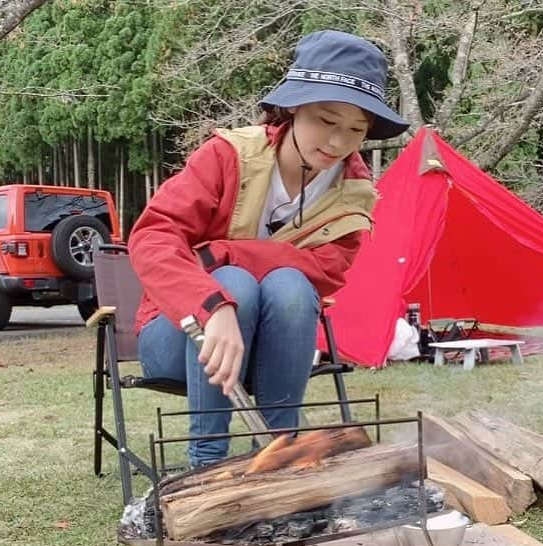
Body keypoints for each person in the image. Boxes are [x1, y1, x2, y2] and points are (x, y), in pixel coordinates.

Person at [127, 30, 409, 467]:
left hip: (273, 344)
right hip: (180, 332)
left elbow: (324, 274)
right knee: (234, 282)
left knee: (292, 287)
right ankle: (207, 461)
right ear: (294, 108)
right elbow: (152, 236)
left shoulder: (354, 196)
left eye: (356, 129)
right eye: (326, 120)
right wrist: (213, 304)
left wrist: (222, 251)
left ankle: (277, 453)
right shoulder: (227, 156)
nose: (337, 142)